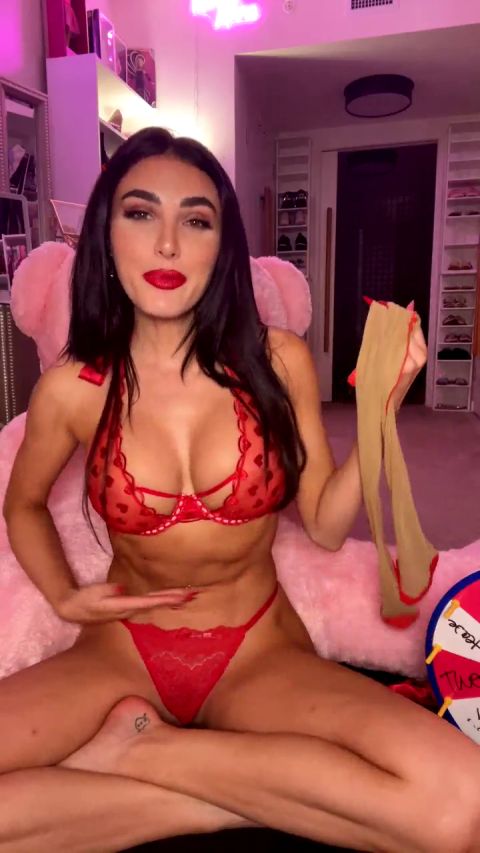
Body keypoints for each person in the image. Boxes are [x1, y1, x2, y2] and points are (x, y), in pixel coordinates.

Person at [0, 126, 478, 853]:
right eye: (140, 213)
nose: (167, 244)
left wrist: (379, 411)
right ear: (105, 234)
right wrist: (65, 596)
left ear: (221, 246)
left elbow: (323, 524)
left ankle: (147, 754)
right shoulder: (74, 388)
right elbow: (23, 504)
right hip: (121, 652)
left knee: (460, 807)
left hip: (256, 651)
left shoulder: (276, 360)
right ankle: (225, 800)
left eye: (195, 220)